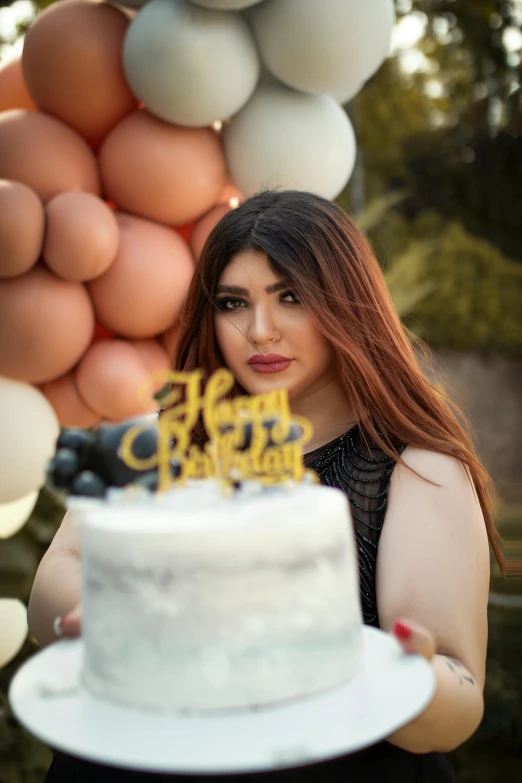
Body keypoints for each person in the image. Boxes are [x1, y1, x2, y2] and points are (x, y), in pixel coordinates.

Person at [28, 190, 502, 783]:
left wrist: (396, 678)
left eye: (291, 297)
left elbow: (456, 703)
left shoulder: (414, 467)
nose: (260, 331)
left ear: (348, 305)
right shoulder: (162, 442)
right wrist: (109, 618)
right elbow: (56, 581)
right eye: (233, 302)